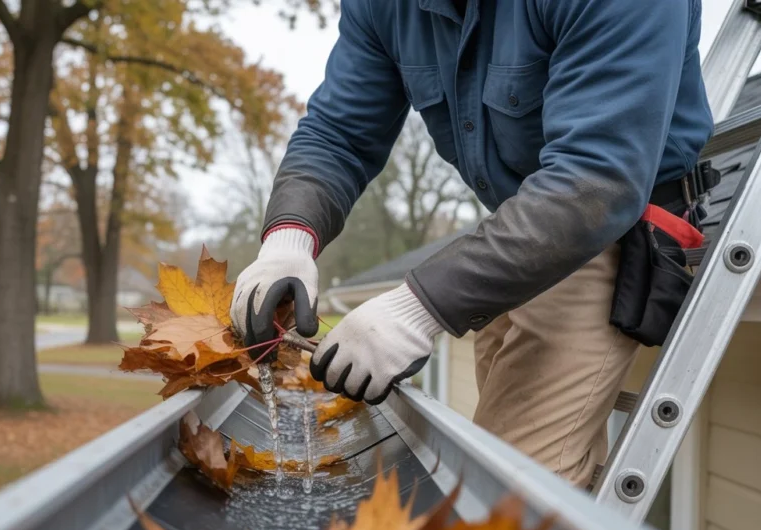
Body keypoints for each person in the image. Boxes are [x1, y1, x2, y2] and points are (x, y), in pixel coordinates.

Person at [230, 0, 714, 488]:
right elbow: (339, 135)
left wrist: (419, 307)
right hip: (518, 233)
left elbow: (597, 179)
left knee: (507, 489)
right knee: (511, 452)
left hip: (609, 227)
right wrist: (288, 239)